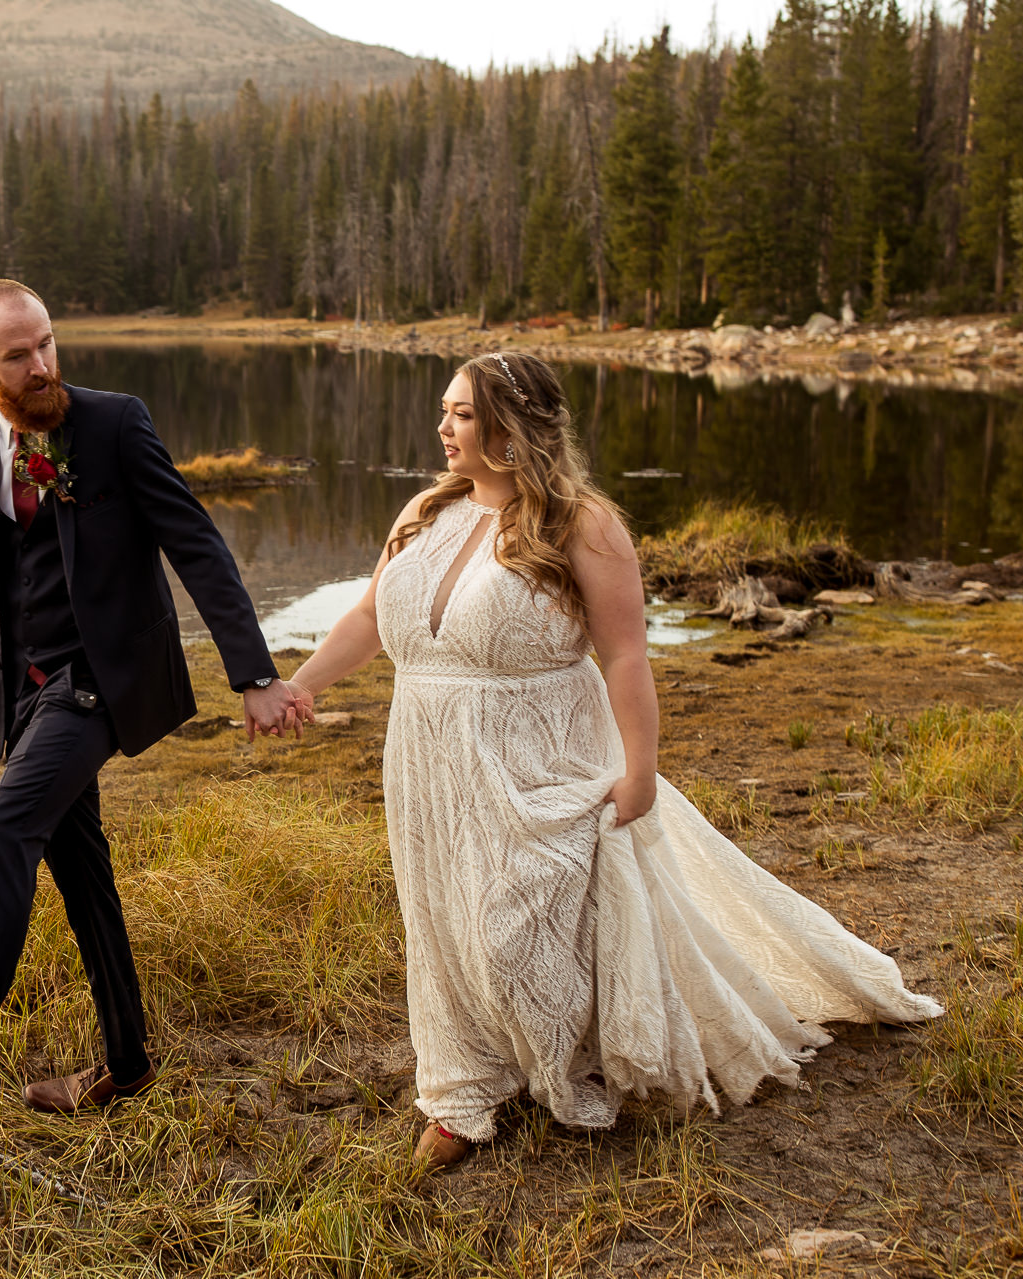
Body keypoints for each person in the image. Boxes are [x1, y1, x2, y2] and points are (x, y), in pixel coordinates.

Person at [283, 351, 941, 1167]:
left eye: (460, 413)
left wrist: (639, 767)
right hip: (428, 753)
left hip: (541, 754)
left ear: (511, 429)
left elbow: (626, 654)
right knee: (443, 919)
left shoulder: (582, 525)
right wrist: (299, 686)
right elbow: (370, 614)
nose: (442, 426)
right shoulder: (424, 512)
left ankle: (565, 1065)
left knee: (514, 926)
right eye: (445, 410)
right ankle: (464, 1087)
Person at [0, 279, 308, 1141]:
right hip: (21, 694)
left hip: (100, 678)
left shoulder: (113, 421)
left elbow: (194, 542)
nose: (42, 363)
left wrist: (254, 674)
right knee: (80, 868)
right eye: (18, 354)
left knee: (0, 831)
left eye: (48, 342)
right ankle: (127, 1063)